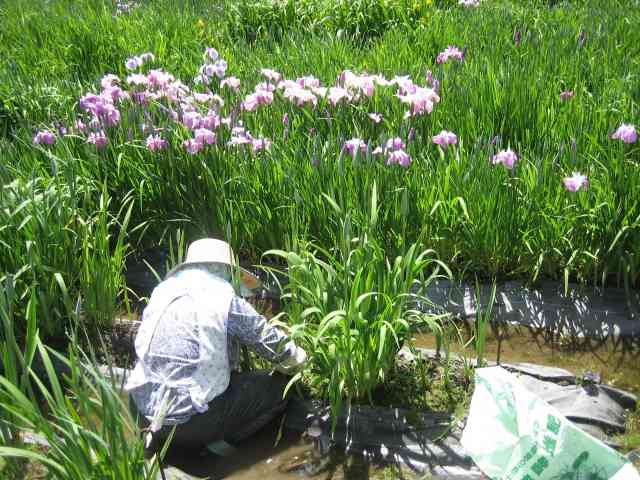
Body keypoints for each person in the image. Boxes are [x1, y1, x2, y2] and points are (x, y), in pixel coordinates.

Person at [125, 238, 307, 454]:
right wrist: (302, 360)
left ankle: (156, 438)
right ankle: (214, 447)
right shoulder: (224, 298)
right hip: (186, 422)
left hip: (140, 408)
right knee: (280, 387)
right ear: (226, 270)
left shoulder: (162, 291)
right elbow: (275, 346)